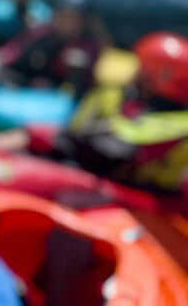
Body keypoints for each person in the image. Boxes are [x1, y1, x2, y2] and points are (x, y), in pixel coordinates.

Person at [43, 31, 188, 198]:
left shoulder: (172, 121)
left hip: (138, 195)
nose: (135, 73)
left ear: (160, 76)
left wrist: (50, 139)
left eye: (142, 69)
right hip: (123, 184)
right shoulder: (133, 101)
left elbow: (116, 149)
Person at [0, 0, 106, 96]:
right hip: (32, 88)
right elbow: (15, 50)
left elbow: (84, 81)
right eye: (67, 16)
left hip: (65, 94)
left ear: (85, 21)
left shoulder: (90, 45)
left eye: (76, 18)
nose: (70, 24)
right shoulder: (44, 32)